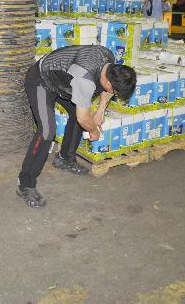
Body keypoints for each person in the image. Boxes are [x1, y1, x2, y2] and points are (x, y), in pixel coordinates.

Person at [17, 45, 137, 208]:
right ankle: (25, 184)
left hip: (65, 83)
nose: (114, 94)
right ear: (108, 81)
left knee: (80, 114)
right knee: (47, 131)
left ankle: (65, 158)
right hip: (42, 80)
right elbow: (83, 119)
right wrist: (93, 129)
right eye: (114, 90)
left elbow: (107, 92)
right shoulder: (85, 80)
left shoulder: (109, 61)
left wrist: (100, 110)